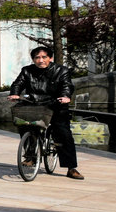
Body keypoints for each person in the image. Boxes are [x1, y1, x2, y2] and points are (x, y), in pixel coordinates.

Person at [9, 44, 83, 180]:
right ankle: (31, 157)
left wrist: (65, 96)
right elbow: (18, 83)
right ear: (33, 59)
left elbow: (67, 85)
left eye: (44, 57)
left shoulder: (61, 70)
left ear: (50, 58)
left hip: (56, 105)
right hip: (34, 105)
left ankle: (71, 168)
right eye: (37, 58)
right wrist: (15, 93)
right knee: (25, 126)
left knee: (63, 134)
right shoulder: (27, 71)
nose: (41, 60)